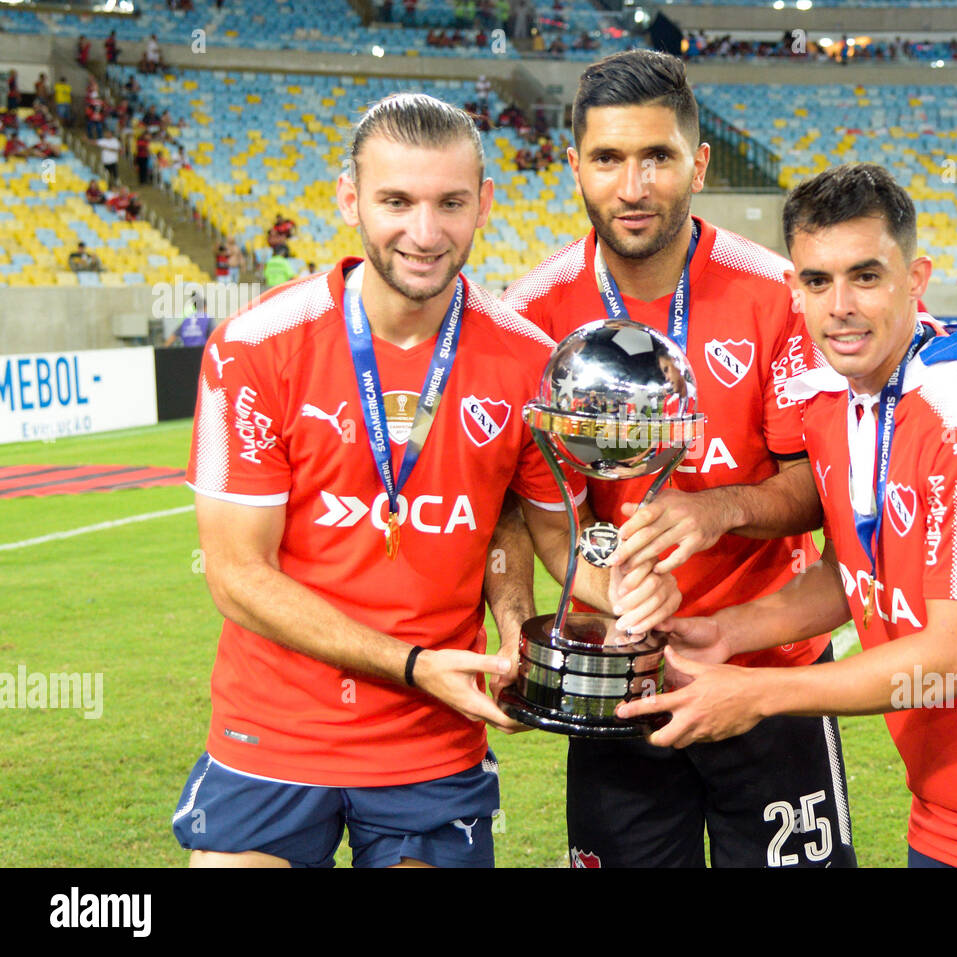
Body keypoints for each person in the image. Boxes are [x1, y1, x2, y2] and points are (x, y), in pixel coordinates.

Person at [617, 163, 957, 868]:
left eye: (867, 276)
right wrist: (727, 632)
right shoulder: (833, 406)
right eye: (817, 281)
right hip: (940, 818)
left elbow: (952, 658)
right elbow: (851, 571)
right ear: (795, 288)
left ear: (915, 280)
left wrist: (759, 692)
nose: (840, 304)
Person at [174, 92, 678, 868]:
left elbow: (538, 531)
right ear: (350, 200)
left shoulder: (525, 359)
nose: (424, 231)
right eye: (396, 201)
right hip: (274, 730)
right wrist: (412, 664)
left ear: (484, 203)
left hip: (432, 738)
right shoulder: (256, 346)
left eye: (449, 202)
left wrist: (558, 617)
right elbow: (238, 575)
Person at [500, 51, 855, 869]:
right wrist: (560, 608)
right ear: (574, 168)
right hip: (616, 675)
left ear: (697, 163)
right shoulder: (529, 315)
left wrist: (718, 508)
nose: (632, 187)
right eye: (608, 159)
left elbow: (822, 489)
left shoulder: (775, 295)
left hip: (768, 671)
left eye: (656, 156)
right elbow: (529, 507)